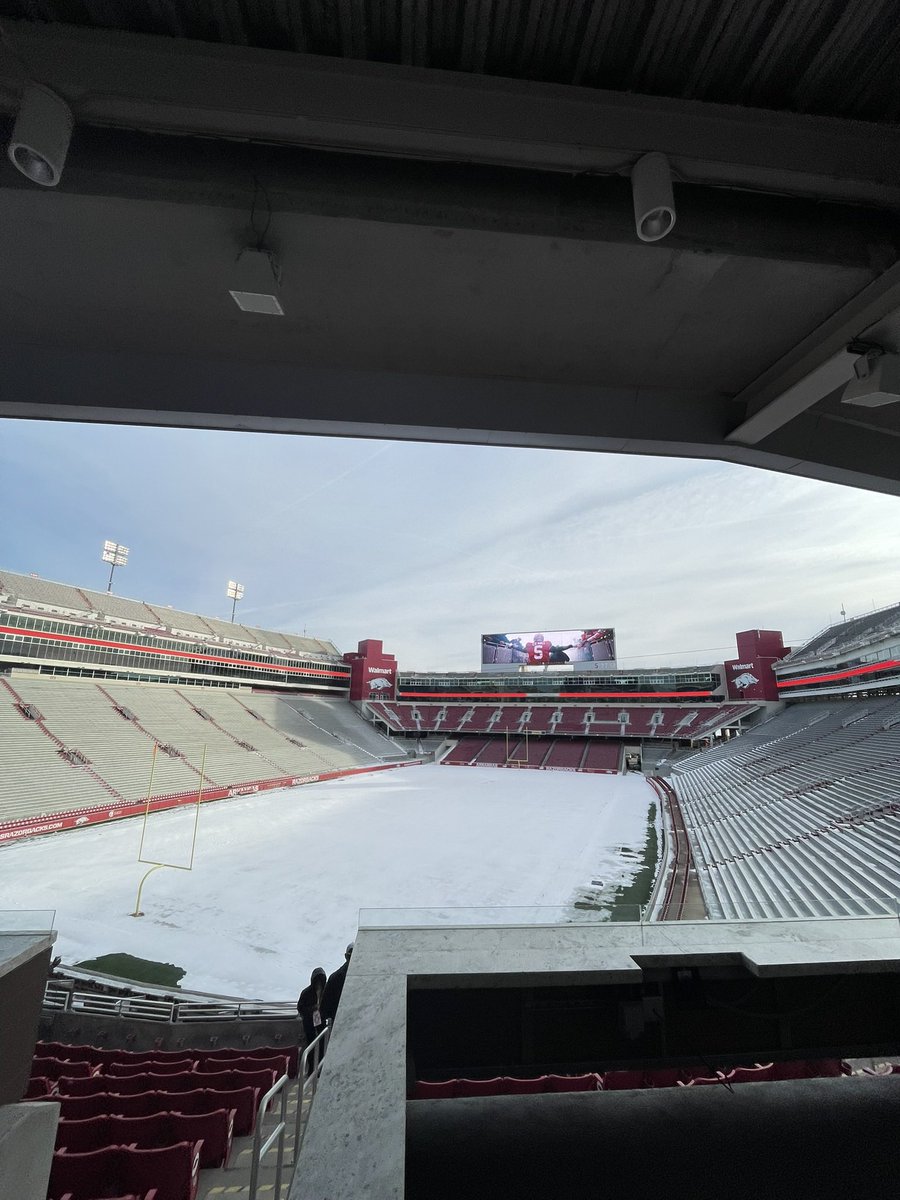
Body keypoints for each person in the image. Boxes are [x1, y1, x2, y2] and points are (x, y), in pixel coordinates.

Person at [322, 943, 354, 1025]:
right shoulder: (366, 978)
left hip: (335, 1021)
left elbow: (323, 1007)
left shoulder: (334, 977)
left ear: (345, 956)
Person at [297, 967, 327, 1049]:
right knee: (311, 1041)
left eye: (321, 980)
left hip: (319, 1018)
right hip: (309, 1020)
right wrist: (312, 1009)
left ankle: (320, 1058)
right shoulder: (306, 993)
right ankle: (311, 1059)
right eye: (317, 981)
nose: (319, 983)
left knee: (322, 1040)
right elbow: (300, 1008)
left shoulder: (325, 992)